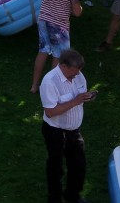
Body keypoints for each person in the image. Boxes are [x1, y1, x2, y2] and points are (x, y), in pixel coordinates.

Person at [40, 49, 95, 203]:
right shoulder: (50, 82)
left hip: (74, 131)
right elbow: (50, 112)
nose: (76, 75)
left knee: (78, 165)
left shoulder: (78, 75)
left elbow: (80, 95)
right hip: (56, 131)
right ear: (63, 65)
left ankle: (72, 196)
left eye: (78, 72)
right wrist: (75, 101)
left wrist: (87, 97)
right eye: (73, 72)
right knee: (56, 168)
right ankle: (54, 199)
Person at [30, 0, 83, 94]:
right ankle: (50, 88)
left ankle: (34, 86)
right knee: (58, 56)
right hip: (59, 24)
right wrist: (79, 7)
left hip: (43, 19)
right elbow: (77, 12)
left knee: (43, 51)